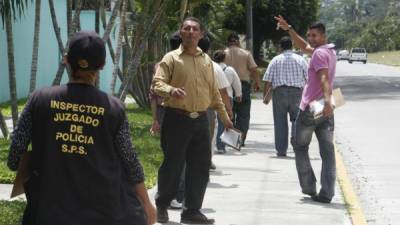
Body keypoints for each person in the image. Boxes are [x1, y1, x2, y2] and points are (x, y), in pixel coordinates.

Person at [7, 31, 156, 225]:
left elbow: (14, 158)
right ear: (102, 65)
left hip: (47, 212)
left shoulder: (39, 99)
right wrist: (146, 203)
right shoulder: (114, 108)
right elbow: (130, 161)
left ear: (66, 60)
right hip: (104, 212)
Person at [153, 17, 233, 224]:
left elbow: (213, 92)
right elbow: (157, 84)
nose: (190, 31)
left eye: (194, 29)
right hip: (176, 119)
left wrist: (225, 117)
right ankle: (161, 206)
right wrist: (171, 90)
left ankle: (191, 211)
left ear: (201, 34)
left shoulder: (206, 60)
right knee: (173, 165)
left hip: (201, 121)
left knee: (200, 167)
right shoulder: (170, 58)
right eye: (186, 28)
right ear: (181, 33)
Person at [275, 15, 337, 203]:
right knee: (327, 151)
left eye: (315, 35)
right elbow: (304, 47)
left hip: (312, 107)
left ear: (323, 36)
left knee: (300, 146)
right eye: (309, 35)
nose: (311, 38)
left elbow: (324, 78)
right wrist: (290, 29)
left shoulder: (318, 54)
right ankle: (327, 192)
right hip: (326, 107)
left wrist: (326, 102)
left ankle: (309, 187)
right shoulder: (329, 51)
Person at [149, 32, 184, 210]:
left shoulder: (159, 64)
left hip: (163, 112)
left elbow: (153, 96)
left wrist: (155, 119)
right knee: (179, 155)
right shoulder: (185, 64)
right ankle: (174, 194)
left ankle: (165, 193)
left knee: (169, 154)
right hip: (180, 112)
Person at [262, 36, 308, 157]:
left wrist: (265, 97)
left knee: (280, 122)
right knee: (297, 120)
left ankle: (281, 150)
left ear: (280, 47)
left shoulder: (275, 60)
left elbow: (267, 80)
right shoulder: (301, 60)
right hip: (297, 93)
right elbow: (309, 78)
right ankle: (296, 143)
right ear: (292, 46)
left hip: (279, 93)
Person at [197, 34, 232, 169]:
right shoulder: (214, 66)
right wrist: (228, 110)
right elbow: (223, 92)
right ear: (209, 49)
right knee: (207, 138)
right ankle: (206, 162)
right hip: (208, 109)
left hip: (185, 108)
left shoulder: (181, 62)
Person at [224, 33, 260, 146]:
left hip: (226, 86)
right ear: (238, 42)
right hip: (243, 85)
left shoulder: (222, 53)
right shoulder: (246, 53)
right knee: (243, 115)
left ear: (228, 42)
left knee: (229, 113)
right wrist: (257, 83)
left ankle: (230, 140)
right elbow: (254, 69)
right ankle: (239, 141)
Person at [213, 50, 242, 153]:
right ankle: (221, 146)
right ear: (224, 58)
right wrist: (238, 94)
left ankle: (212, 144)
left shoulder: (211, 67)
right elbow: (237, 83)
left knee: (212, 121)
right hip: (227, 97)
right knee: (223, 121)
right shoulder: (230, 70)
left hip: (212, 97)